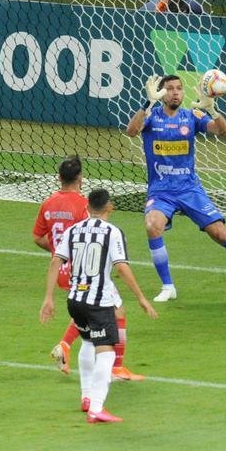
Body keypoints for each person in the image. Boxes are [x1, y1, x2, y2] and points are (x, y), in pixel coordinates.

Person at [126, 74, 226, 302]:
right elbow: (131, 131)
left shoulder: (191, 116)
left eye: (179, 88)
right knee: (152, 225)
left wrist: (213, 110)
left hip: (190, 190)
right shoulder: (151, 116)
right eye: (169, 89)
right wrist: (147, 104)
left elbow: (224, 132)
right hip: (161, 191)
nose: (176, 92)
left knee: (220, 233)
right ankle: (168, 286)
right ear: (160, 93)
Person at [40, 188, 157, 424]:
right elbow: (122, 268)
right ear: (109, 207)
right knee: (106, 353)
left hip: (75, 300)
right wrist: (142, 298)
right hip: (98, 301)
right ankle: (96, 408)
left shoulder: (73, 230)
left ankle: (86, 397)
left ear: (86, 208)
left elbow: (55, 261)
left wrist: (48, 298)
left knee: (87, 342)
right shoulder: (112, 233)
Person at [32, 155, 143, 381]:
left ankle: (65, 346)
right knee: (116, 310)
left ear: (59, 178)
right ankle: (116, 368)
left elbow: (37, 237)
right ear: (80, 178)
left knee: (87, 309)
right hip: (83, 271)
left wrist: (59, 253)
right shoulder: (84, 206)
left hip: (61, 271)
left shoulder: (48, 204)